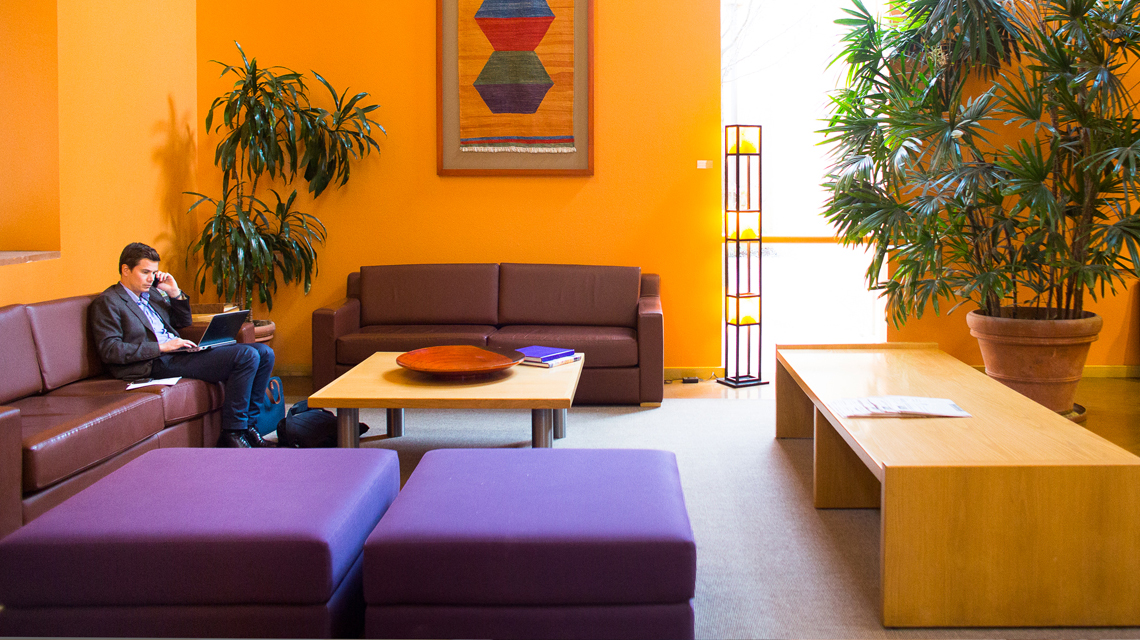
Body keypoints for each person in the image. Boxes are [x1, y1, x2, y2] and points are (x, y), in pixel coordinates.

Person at [89, 242, 276, 448]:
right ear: (125, 270)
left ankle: (249, 426)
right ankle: (233, 432)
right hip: (154, 361)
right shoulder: (109, 302)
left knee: (265, 353)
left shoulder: (150, 294)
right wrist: (162, 347)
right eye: (145, 272)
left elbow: (183, 322)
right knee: (246, 356)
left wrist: (175, 292)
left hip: (178, 352)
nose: (151, 278)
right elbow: (110, 350)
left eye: (154, 272)